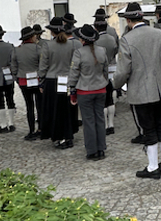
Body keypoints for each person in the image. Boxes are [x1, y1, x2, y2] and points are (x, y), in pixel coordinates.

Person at [113, 2, 161, 179]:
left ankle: (153, 166)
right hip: (159, 87)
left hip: (140, 89)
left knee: (148, 128)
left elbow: (123, 69)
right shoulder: (159, 33)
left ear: (129, 21)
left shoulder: (127, 39)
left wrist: (116, 84)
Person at [69, 24, 108, 160]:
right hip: (101, 89)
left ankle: (92, 151)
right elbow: (106, 71)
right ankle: (101, 148)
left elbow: (74, 74)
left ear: (82, 39)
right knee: (100, 119)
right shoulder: (102, 51)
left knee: (89, 121)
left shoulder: (79, 53)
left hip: (85, 90)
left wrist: (72, 91)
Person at [39, 17, 78, 149]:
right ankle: (69, 134)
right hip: (67, 79)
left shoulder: (48, 45)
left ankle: (58, 136)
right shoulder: (72, 44)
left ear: (52, 32)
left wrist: (41, 81)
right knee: (67, 109)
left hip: (52, 80)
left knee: (54, 110)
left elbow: (43, 66)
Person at [11, 26, 42, 140]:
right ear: (31, 37)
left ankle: (31, 130)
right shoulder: (37, 48)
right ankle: (40, 129)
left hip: (23, 81)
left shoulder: (17, 50)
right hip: (37, 80)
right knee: (39, 105)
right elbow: (42, 65)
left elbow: (13, 67)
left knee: (29, 106)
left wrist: (17, 79)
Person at [94, 18, 118, 135]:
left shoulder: (96, 41)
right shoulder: (112, 38)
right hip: (111, 66)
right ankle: (111, 124)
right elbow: (116, 50)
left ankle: (104, 125)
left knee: (103, 101)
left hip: (100, 71)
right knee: (110, 97)